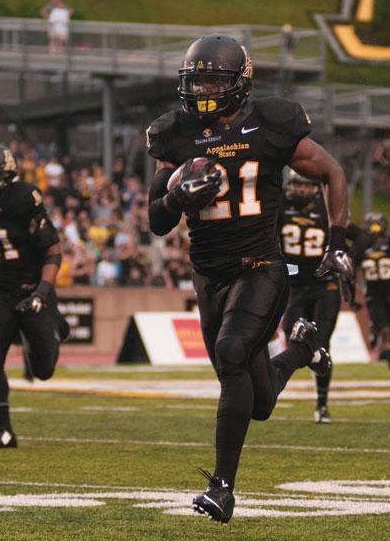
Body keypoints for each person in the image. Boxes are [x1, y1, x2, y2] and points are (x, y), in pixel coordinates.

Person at [146, 35, 353, 523]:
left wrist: (338, 241)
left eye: (214, 80)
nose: (202, 91)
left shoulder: (273, 123)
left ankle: (222, 488)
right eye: (196, 80)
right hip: (209, 274)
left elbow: (332, 172)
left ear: (240, 82)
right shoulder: (173, 133)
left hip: (261, 267)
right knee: (256, 401)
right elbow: (156, 220)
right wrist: (178, 197)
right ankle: (303, 349)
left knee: (232, 352)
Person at [0, 144, 70, 449]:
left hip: (33, 285)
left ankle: (55, 326)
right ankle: (4, 431)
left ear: (5, 174)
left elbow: (53, 251)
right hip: (1, 288)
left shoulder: (23, 198)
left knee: (43, 371)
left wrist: (42, 293)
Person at [279, 171, 368, 423]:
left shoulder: (326, 211)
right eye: (298, 184)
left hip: (324, 287)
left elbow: (363, 236)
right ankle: (313, 358)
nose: (303, 190)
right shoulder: (280, 209)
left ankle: (322, 404)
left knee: (322, 342)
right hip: (294, 287)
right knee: (292, 339)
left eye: (307, 185)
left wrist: (348, 257)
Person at [357, 212, 390, 387]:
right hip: (374, 297)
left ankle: (380, 345)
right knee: (386, 332)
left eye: (376, 223)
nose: (374, 227)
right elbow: (354, 268)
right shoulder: (363, 248)